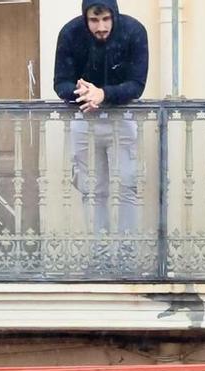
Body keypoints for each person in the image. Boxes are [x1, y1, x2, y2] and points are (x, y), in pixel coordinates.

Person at [54, 2, 150, 244]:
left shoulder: (134, 31)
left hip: (123, 118)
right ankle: (101, 254)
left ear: (114, 15)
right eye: (94, 21)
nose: (101, 27)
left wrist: (103, 94)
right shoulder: (70, 33)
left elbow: (137, 85)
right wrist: (85, 93)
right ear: (85, 18)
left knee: (128, 186)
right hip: (84, 118)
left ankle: (127, 252)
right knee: (92, 190)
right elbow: (60, 83)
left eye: (106, 19)